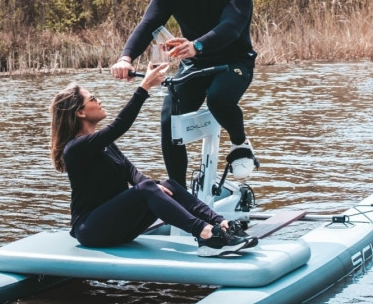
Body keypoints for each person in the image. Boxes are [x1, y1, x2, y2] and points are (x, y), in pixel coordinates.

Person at [49, 62, 257, 257]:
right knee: (149, 187)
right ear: (80, 112)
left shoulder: (105, 144)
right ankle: (207, 235)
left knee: (168, 184)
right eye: (93, 98)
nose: (100, 100)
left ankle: (223, 225)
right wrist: (144, 86)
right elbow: (119, 126)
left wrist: (156, 188)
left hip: (119, 227)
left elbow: (133, 175)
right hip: (90, 230)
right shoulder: (75, 148)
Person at [110, 0, 258, 186]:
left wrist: (197, 45)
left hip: (233, 62)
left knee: (218, 98)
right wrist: (126, 58)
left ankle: (240, 144)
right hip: (195, 65)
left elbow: (230, 29)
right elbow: (147, 25)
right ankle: (178, 191)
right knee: (170, 118)